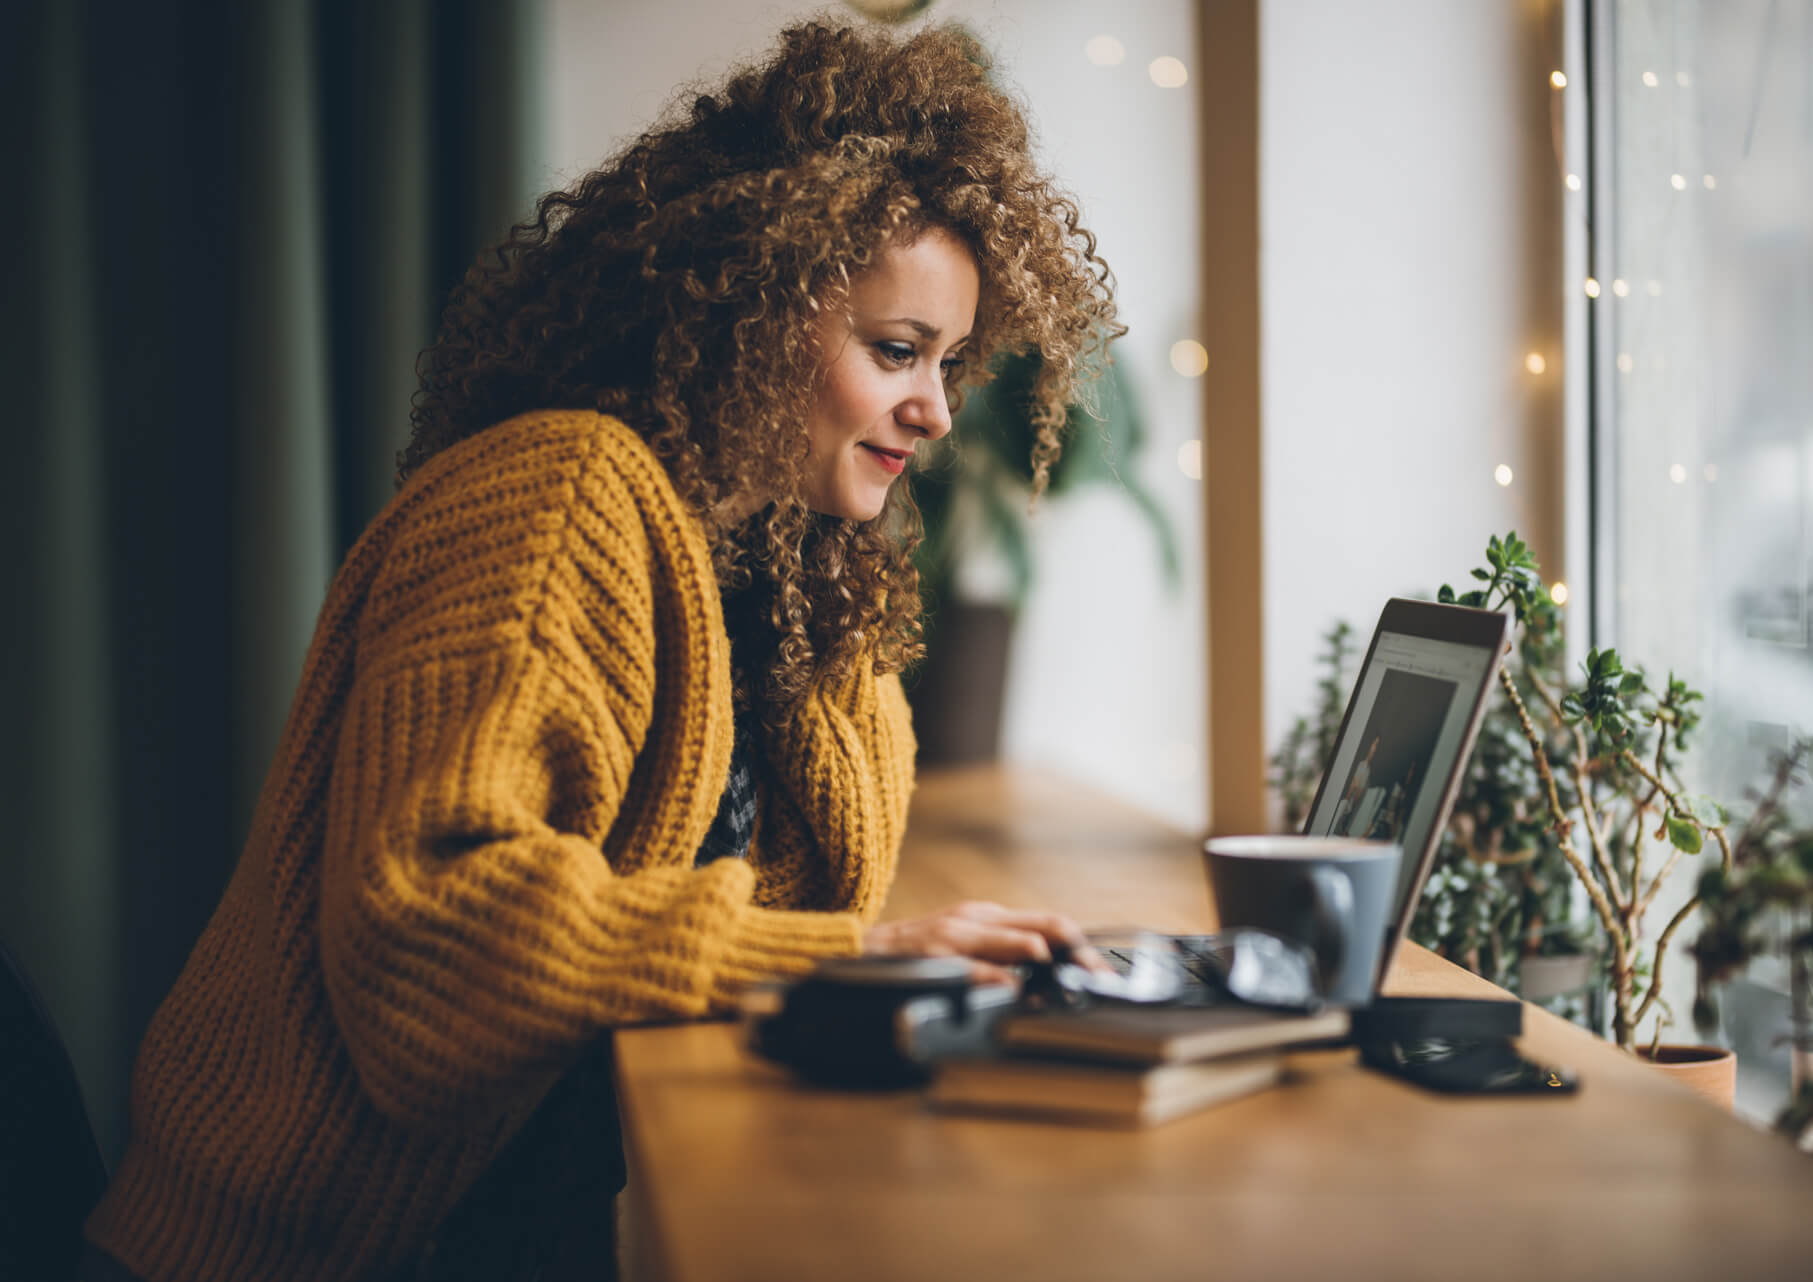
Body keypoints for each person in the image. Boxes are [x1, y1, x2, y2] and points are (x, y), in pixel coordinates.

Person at [80, 20, 1117, 1282]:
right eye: (895, 351)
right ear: (750, 307)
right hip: (302, 1255)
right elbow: (430, 947)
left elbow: (800, 888)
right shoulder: (562, 495)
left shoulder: (783, 566)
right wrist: (868, 957)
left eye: (951, 363)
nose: (938, 410)